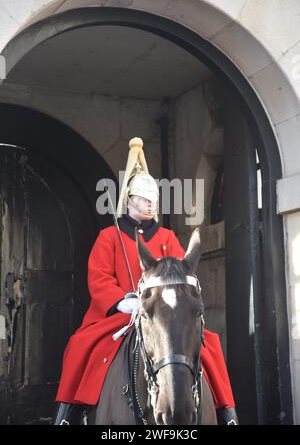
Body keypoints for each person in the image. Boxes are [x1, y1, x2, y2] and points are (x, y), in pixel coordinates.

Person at [53, 137, 238, 425]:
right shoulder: (109, 236)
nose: (150, 205)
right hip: (117, 314)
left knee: (209, 344)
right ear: (129, 200)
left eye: (154, 201)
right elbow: (99, 277)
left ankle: (227, 413)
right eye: (144, 200)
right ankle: (67, 414)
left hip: (161, 312)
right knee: (81, 344)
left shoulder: (166, 238)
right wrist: (122, 301)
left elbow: (181, 275)